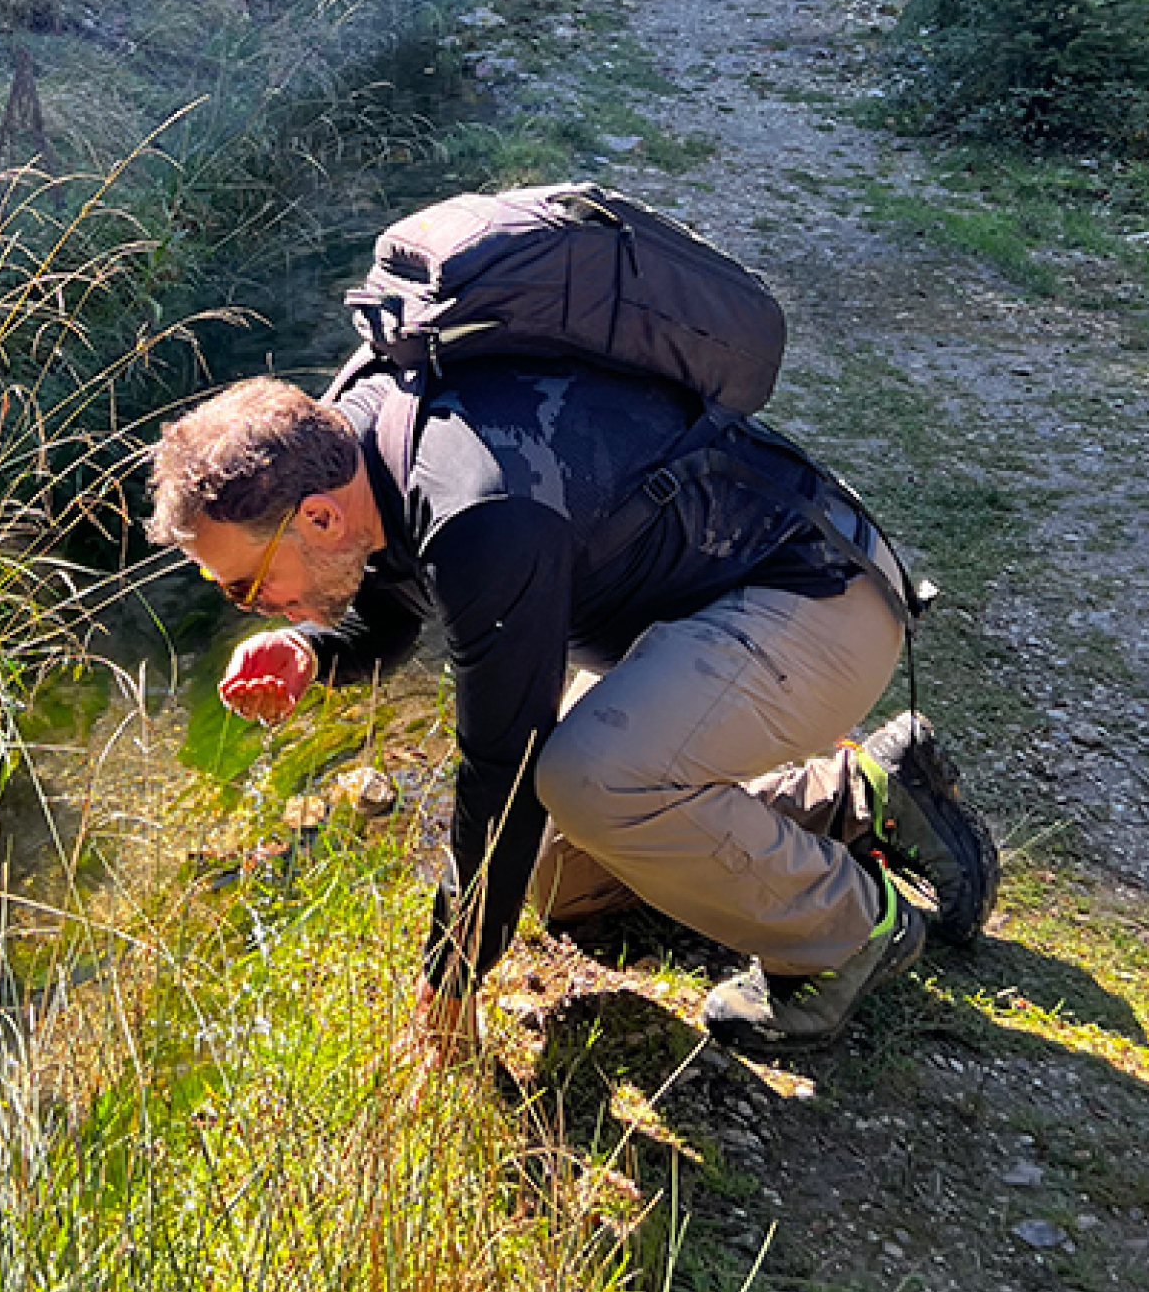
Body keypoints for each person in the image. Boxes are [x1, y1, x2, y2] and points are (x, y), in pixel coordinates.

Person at [146, 363, 999, 1067]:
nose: (252, 607)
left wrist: (450, 979)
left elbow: (502, 773)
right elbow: (392, 602)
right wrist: (312, 649)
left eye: (248, 587)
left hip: (822, 601)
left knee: (588, 781)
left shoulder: (480, 515)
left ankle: (852, 931)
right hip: (706, 613)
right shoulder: (353, 440)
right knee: (561, 874)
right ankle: (857, 793)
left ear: (320, 514)